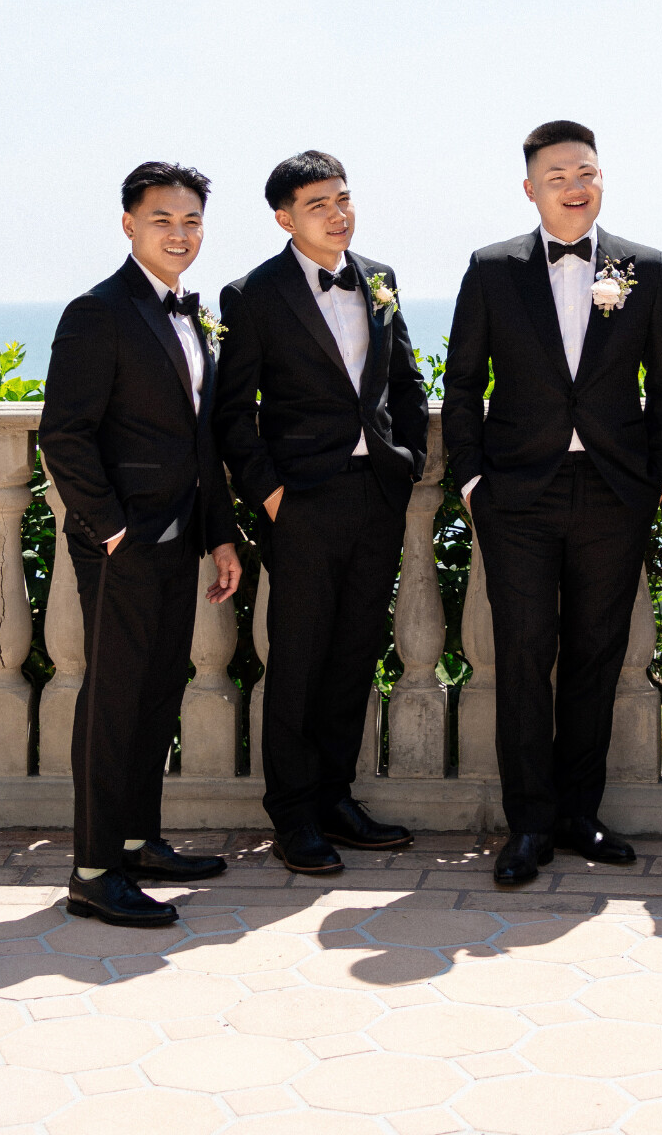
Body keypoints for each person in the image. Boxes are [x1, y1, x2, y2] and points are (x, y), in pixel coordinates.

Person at [443, 120, 662, 886]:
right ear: (530, 189)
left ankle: (581, 813)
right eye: (558, 176)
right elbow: (462, 383)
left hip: (615, 491)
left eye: (586, 172)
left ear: (601, 177)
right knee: (521, 657)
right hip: (517, 494)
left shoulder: (642, 266)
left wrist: (661, 478)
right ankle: (530, 825)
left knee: (595, 655)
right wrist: (474, 480)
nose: (575, 187)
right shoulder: (491, 269)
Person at [38, 161, 246, 928]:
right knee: (114, 703)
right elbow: (65, 435)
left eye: (192, 221)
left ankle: (136, 838)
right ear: (129, 225)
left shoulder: (190, 315)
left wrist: (219, 536)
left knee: (158, 691)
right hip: (123, 546)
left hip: (180, 538)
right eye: (164, 219)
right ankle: (94, 870)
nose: (180, 233)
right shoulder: (98, 312)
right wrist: (115, 530)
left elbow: (203, 441)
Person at [213, 151, 427, 876]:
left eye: (343, 199)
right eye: (318, 205)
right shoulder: (252, 294)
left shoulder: (381, 278)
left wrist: (411, 461)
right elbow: (233, 414)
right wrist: (272, 498)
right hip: (302, 502)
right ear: (284, 217)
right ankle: (294, 815)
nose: (338, 213)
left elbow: (405, 379)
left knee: (353, 655)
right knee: (299, 661)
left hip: (377, 495)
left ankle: (336, 799)